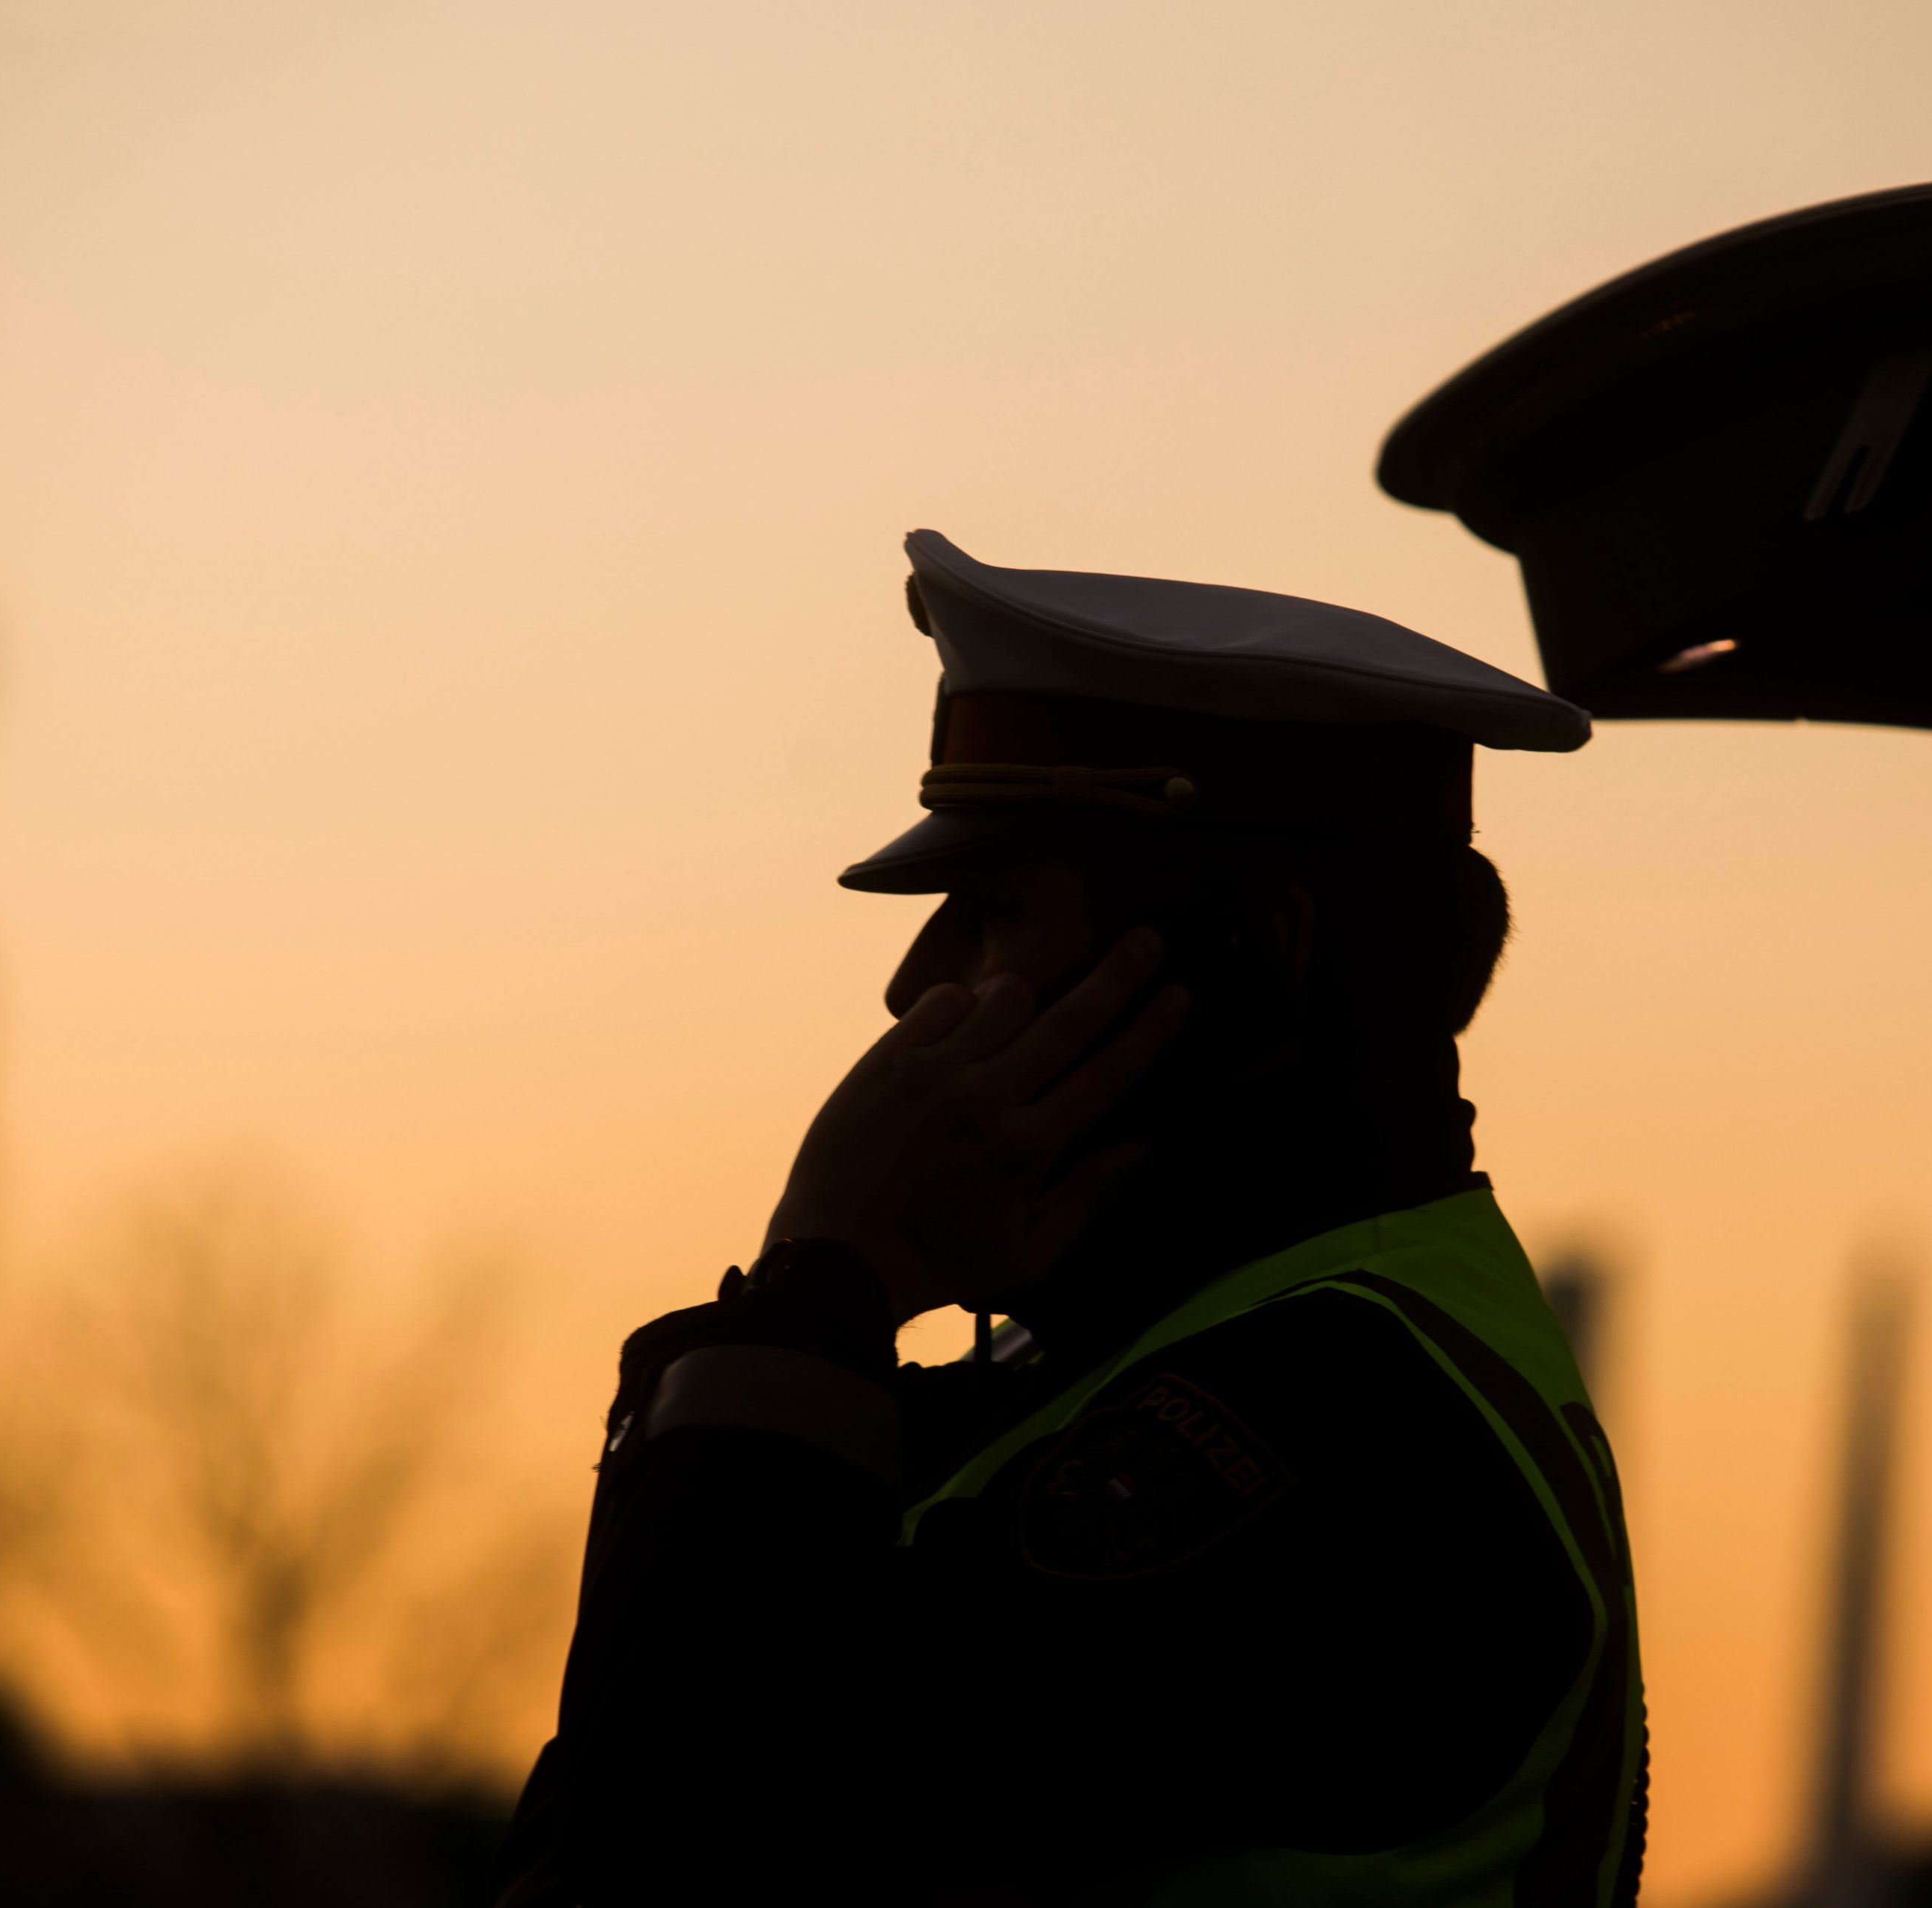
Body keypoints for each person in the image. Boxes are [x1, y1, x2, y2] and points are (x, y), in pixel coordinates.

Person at [493, 531, 1646, 1907]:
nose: (912, 988)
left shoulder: (1349, 1415)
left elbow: (673, 1837)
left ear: (1250, 961)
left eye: (983, 914)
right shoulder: (1157, 1355)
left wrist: (823, 1280)